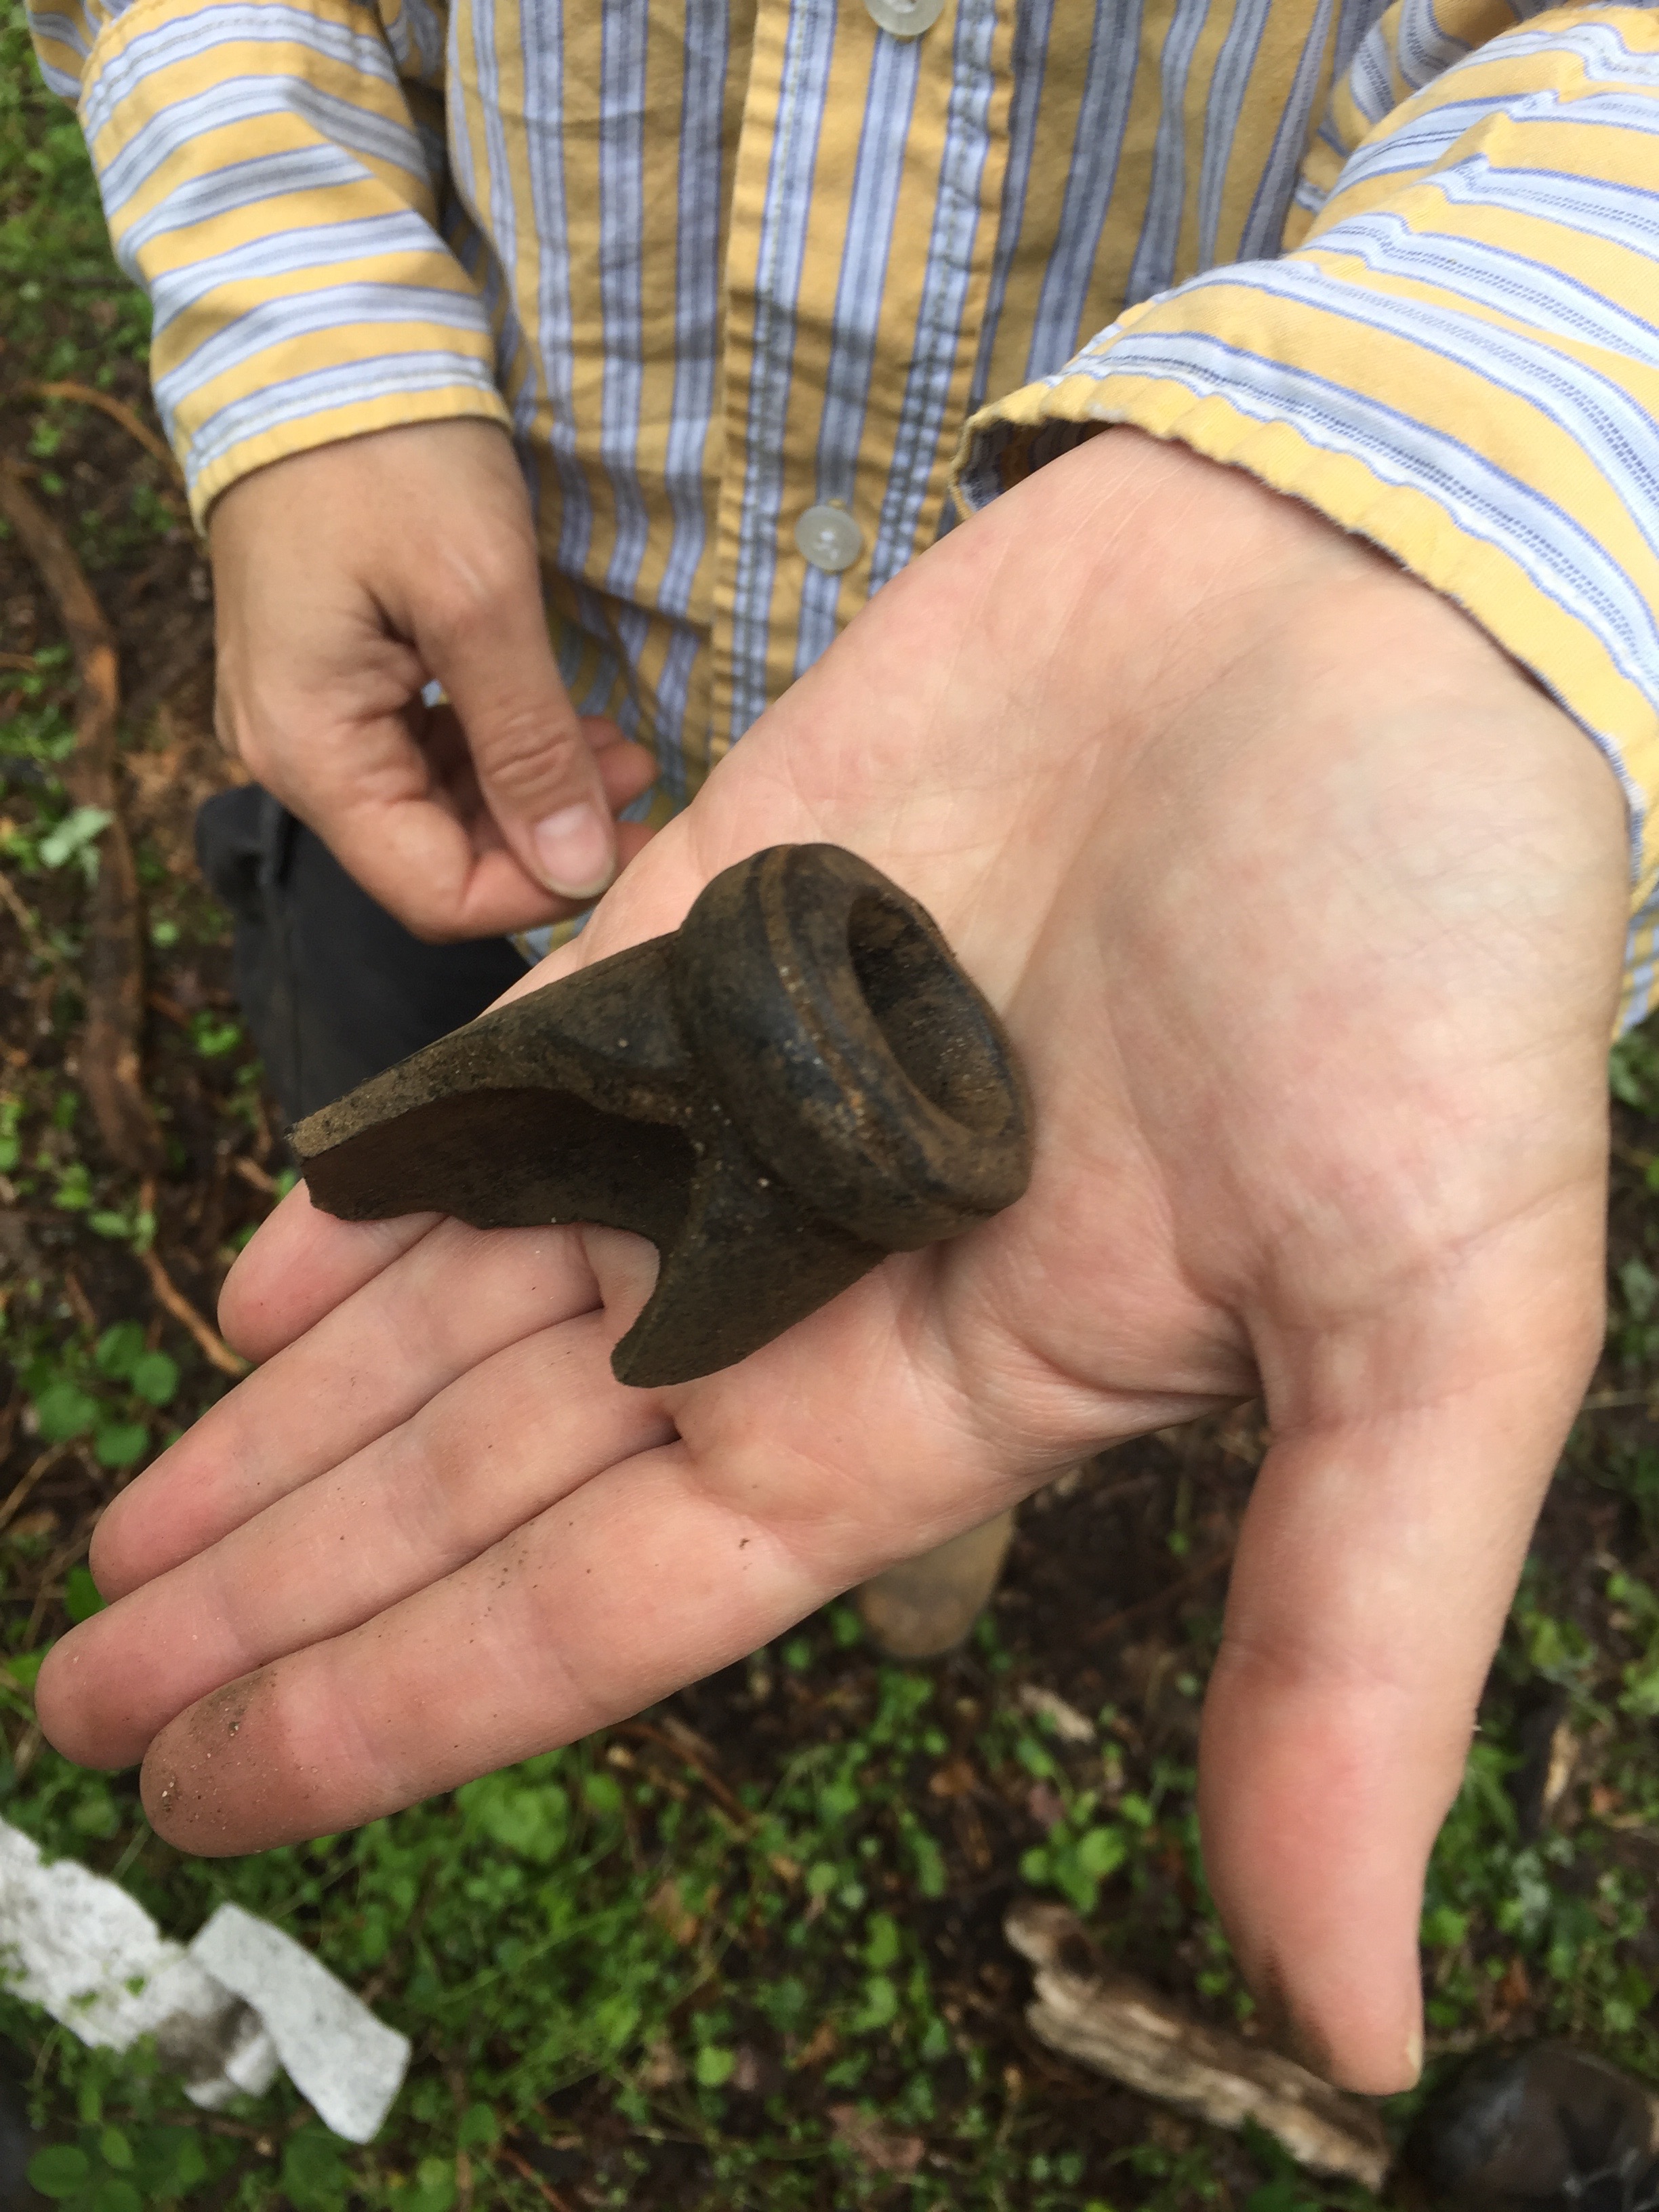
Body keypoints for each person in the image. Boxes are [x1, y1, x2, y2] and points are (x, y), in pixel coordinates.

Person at [24, 0, 1659, 2095]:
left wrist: (1479, 469)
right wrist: (308, 333)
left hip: (1159, 854)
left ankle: (915, 1520)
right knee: (396, 1127)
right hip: (513, 709)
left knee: (928, 1369)